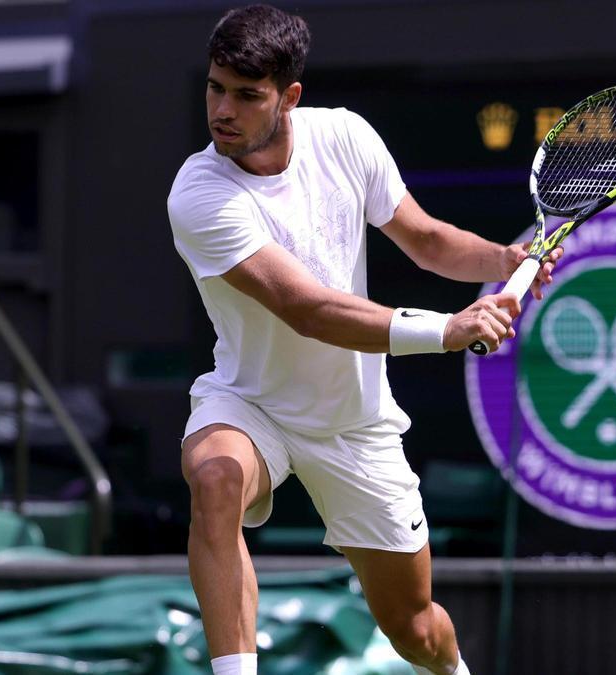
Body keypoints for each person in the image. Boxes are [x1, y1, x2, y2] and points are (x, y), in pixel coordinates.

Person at [167, 5, 563, 675]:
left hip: (356, 423)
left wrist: (502, 260)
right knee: (215, 476)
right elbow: (307, 308)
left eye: (245, 94)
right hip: (252, 404)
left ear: (289, 96)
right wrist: (450, 329)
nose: (222, 109)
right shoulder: (198, 194)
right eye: (214, 88)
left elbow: (427, 239)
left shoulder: (345, 138)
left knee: (415, 628)